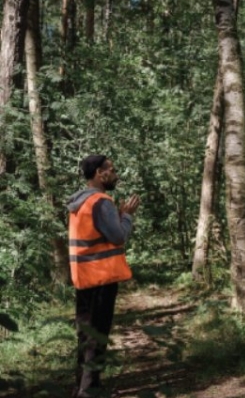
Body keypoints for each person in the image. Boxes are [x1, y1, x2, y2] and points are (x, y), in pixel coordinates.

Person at [67, 155, 140, 397]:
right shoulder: (101, 202)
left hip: (84, 278)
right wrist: (127, 215)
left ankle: (82, 387)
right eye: (113, 170)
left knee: (86, 335)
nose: (116, 174)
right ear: (100, 173)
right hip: (101, 279)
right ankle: (90, 391)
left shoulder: (79, 203)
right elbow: (118, 236)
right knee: (97, 337)